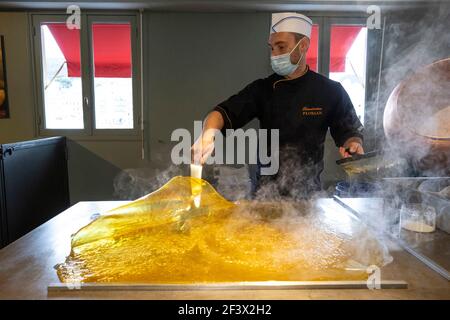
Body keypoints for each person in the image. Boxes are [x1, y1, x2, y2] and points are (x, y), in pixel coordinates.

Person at [192, 12, 364, 199]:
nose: (274, 54)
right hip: (265, 194)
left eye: (281, 47)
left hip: (308, 196)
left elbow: (349, 132)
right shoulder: (263, 89)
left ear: (304, 45)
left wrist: (353, 144)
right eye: (272, 48)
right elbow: (223, 113)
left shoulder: (330, 91)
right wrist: (207, 134)